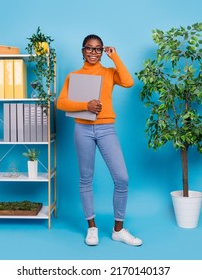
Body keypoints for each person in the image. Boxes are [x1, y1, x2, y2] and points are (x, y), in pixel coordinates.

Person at [57, 34, 142, 246]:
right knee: (86, 178)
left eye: (98, 49)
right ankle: (91, 227)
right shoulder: (73, 76)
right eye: (89, 48)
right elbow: (61, 103)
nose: (93, 52)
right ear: (82, 51)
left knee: (122, 178)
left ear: (102, 50)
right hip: (82, 129)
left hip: (106, 129)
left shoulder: (109, 73)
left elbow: (129, 82)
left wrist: (115, 57)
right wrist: (86, 105)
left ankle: (118, 230)